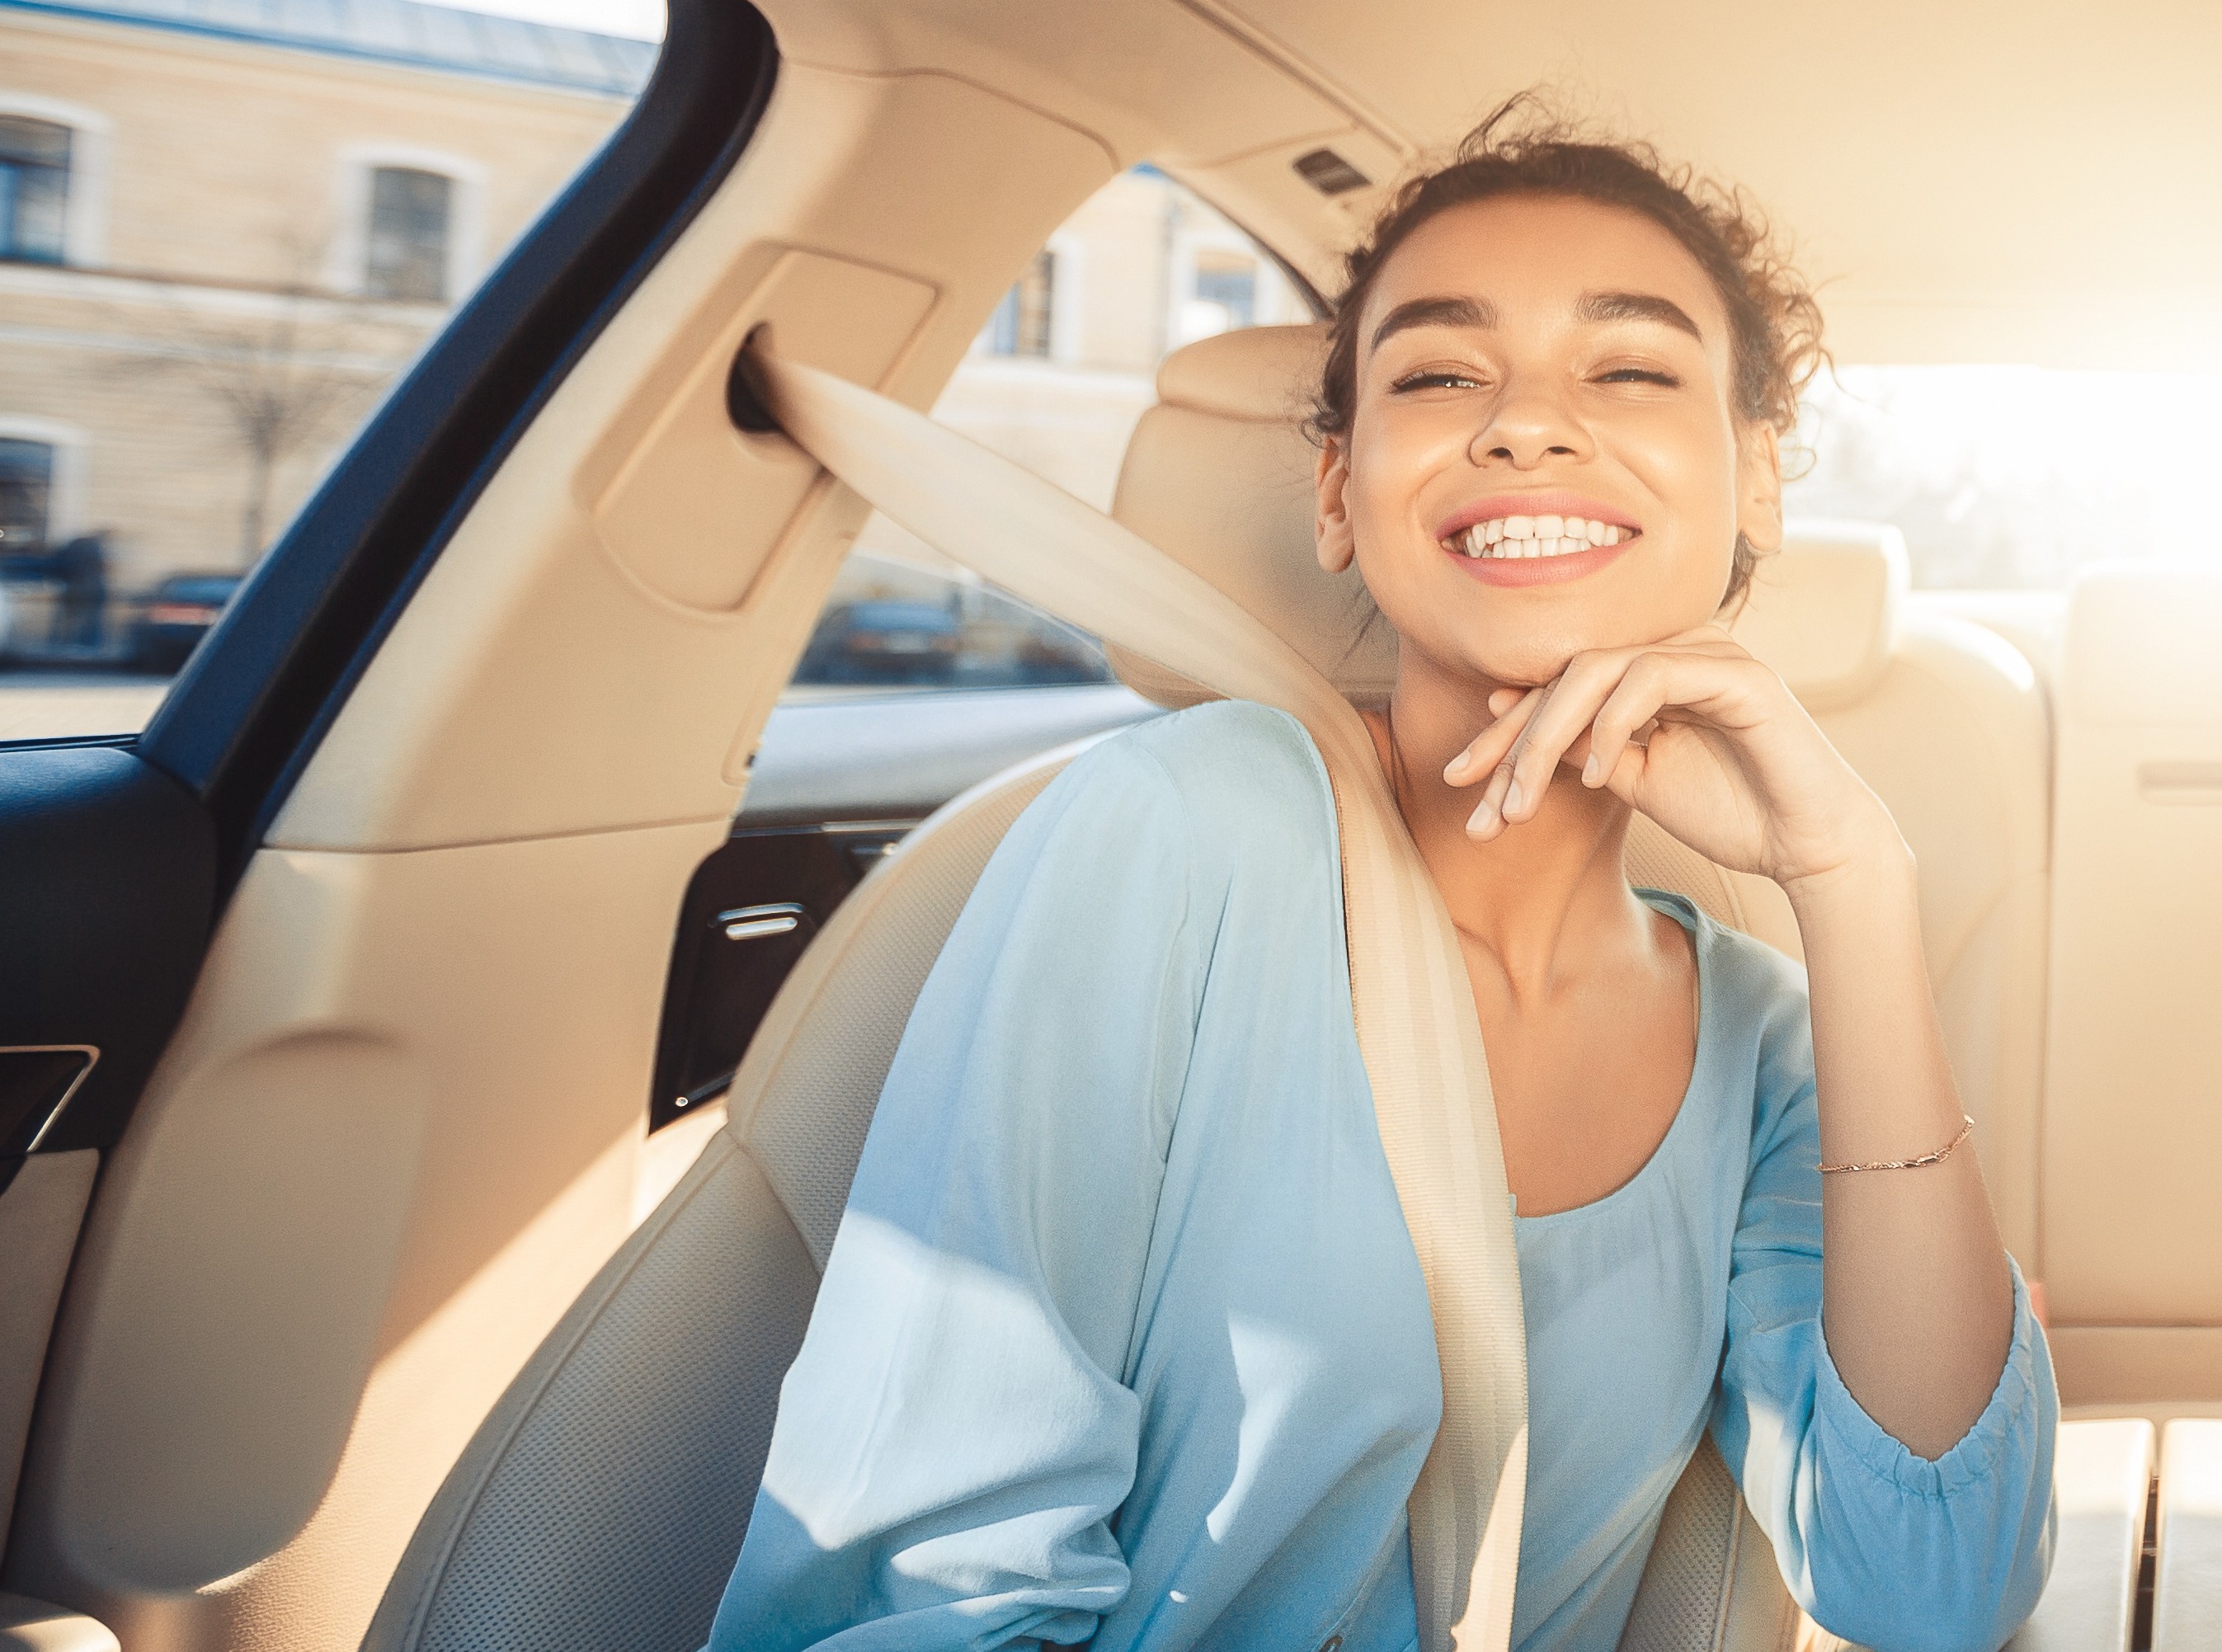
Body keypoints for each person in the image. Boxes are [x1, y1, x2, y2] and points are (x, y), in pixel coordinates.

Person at [711, 130, 2055, 1652]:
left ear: (1757, 486)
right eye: (1437, 376)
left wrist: (1854, 882)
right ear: (1342, 493)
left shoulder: (1772, 1042)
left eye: (1626, 371)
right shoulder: (1172, 835)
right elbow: (926, 1599)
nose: (1529, 426)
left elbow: (1935, 1591)